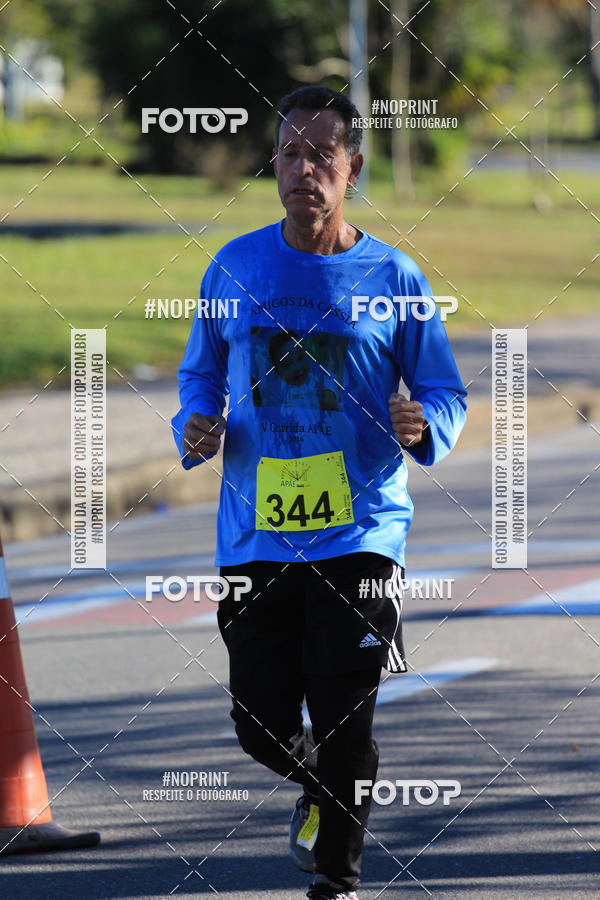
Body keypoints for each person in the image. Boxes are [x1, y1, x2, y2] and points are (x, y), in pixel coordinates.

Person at [172, 85, 467, 900]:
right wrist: (196, 424)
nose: (305, 170)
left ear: (353, 169)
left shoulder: (394, 274)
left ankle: (337, 878)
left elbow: (446, 392)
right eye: (290, 154)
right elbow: (199, 376)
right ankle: (317, 786)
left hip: (362, 531)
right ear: (274, 163)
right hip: (257, 531)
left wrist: (421, 422)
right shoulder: (234, 266)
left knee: (347, 714)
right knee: (260, 719)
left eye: (322, 157)